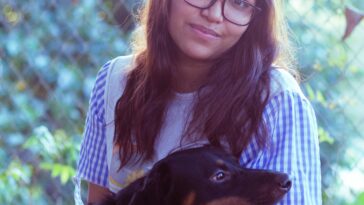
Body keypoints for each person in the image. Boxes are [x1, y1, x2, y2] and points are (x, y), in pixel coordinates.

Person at [74, 0, 322, 204]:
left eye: (239, 3)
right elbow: (98, 200)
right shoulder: (115, 80)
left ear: (254, 18)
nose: (214, 14)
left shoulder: (276, 100)